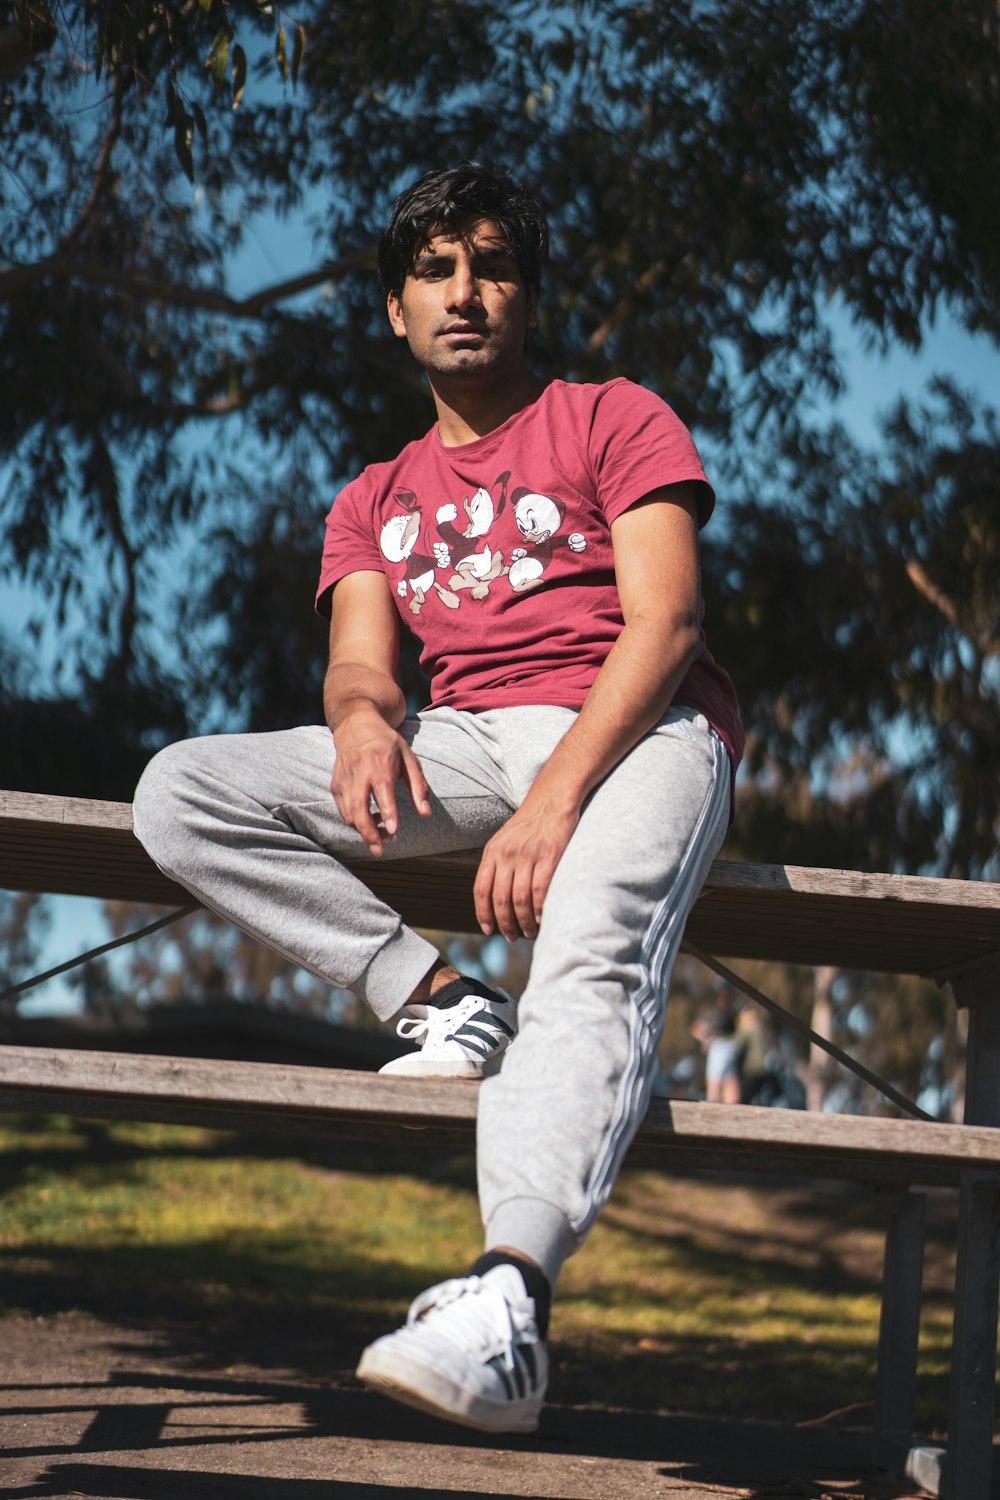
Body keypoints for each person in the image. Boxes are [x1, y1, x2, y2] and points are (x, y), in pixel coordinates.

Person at [132, 162, 744, 1435]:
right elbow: (362, 655)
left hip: (637, 731)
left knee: (589, 957)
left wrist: (553, 802)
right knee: (180, 790)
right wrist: (361, 720)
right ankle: (438, 1001)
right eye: (435, 270)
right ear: (395, 310)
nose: (465, 291)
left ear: (525, 295)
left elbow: (669, 619)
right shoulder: (372, 496)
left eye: (492, 265)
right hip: (461, 741)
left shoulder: (614, 416)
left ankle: (509, 1302)